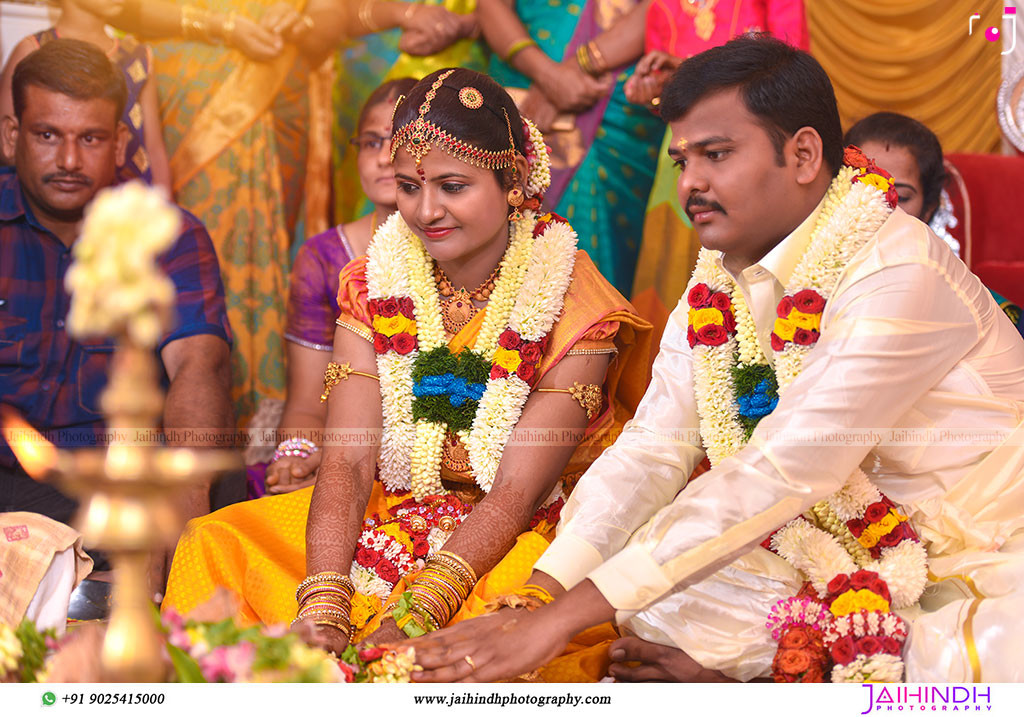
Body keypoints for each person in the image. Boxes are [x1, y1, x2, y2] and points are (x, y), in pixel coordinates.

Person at [409, 37, 1024, 683]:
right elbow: (653, 446)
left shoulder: (899, 267)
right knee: (663, 607)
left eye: (717, 154)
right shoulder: (718, 278)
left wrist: (554, 625)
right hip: (823, 531)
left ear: (804, 154)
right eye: (682, 160)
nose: (691, 182)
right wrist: (540, 598)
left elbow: (786, 467)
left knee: (971, 655)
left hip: (980, 527)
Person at [163, 68, 653, 681]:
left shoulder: (575, 301)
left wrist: (414, 615)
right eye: (407, 186)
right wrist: (324, 603)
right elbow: (347, 460)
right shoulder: (373, 283)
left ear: (514, 181)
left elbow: (515, 494)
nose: (427, 211)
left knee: (514, 628)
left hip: (515, 532)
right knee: (218, 542)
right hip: (387, 505)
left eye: (453, 185)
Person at [0, 40, 236, 597]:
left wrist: (181, 511)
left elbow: (199, 365)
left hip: (117, 473)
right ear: (14, 136)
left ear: (120, 142)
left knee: (216, 486)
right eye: (47, 135)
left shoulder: (166, 234)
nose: (69, 161)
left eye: (91, 138)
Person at [253, 77, 417, 499]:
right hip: (341, 452)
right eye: (370, 142)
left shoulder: (464, 251)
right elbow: (308, 403)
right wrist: (298, 454)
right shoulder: (324, 257)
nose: (383, 158)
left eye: (400, 139)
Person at [626, 0, 808, 350]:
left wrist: (691, 74)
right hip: (679, 154)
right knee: (678, 276)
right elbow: (669, 104)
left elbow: (790, 75)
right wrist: (650, 91)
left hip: (748, 148)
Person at [477, 0, 665, 295]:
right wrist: (548, 75)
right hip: (520, 78)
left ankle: (593, 337)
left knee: (598, 256)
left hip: (611, 101)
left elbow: (664, 7)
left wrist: (574, 69)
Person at [844, 111, 1024, 338]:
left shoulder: (982, 314)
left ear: (928, 208)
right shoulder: (805, 296)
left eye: (901, 196)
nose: (879, 207)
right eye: (864, 188)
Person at [332, 0, 486, 224]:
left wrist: (466, 25)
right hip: (364, 75)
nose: (386, 158)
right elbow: (328, 14)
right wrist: (405, 14)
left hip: (457, 71)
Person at [0, 0, 171, 190]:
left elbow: (154, 149)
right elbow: (9, 149)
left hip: (130, 204)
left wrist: (165, 209)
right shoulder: (32, 51)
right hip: (56, 202)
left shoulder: (138, 57)